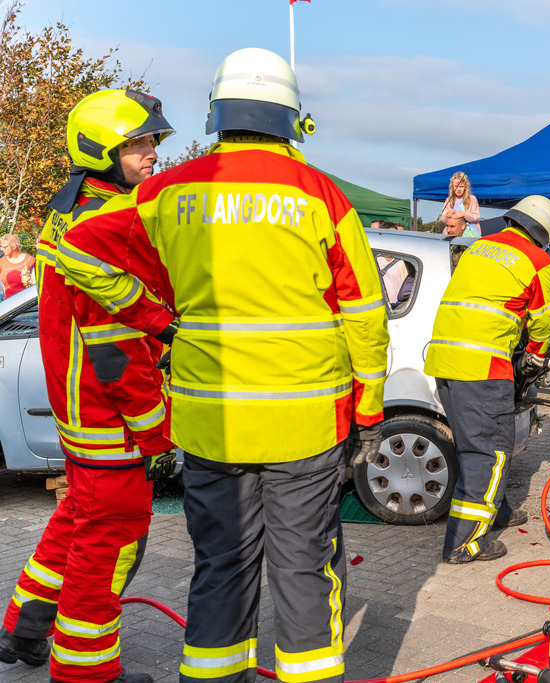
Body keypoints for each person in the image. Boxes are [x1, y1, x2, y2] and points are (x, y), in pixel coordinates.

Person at [58, 48, 389, 683]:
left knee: (220, 568)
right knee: (303, 571)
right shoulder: (320, 193)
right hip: (304, 425)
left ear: (218, 113)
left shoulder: (168, 191)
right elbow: (365, 314)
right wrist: (369, 409)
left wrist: (155, 315)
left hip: (211, 424)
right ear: (292, 117)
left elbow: (74, 250)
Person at [0, 89, 176, 683]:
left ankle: (24, 629)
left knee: (77, 519)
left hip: (78, 411)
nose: (152, 154)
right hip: (110, 417)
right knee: (109, 544)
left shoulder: (70, 209)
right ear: (105, 150)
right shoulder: (114, 224)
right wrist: (157, 432)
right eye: (140, 144)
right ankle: (85, 673)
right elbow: (117, 346)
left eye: (151, 142)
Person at [425, 195, 550, 563]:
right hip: (483, 369)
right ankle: (462, 544)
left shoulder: (480, 247)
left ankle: (494, 508)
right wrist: (535, 355)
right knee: (490, 452)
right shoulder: (537, 259)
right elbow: (544, 320)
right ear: (542, 233)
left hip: (444, 361)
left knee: (471, 444)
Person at [440, 171, 481, 236]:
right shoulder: (449, 200)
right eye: (456, 186)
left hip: (470, 232)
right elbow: (444, 219)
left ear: (465, 187)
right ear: (452, 187)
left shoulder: (472, 198)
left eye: (461, 186)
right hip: (452, 231)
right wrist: (447, 214)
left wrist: (464, 214)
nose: (459, 189)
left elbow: (476, 217)